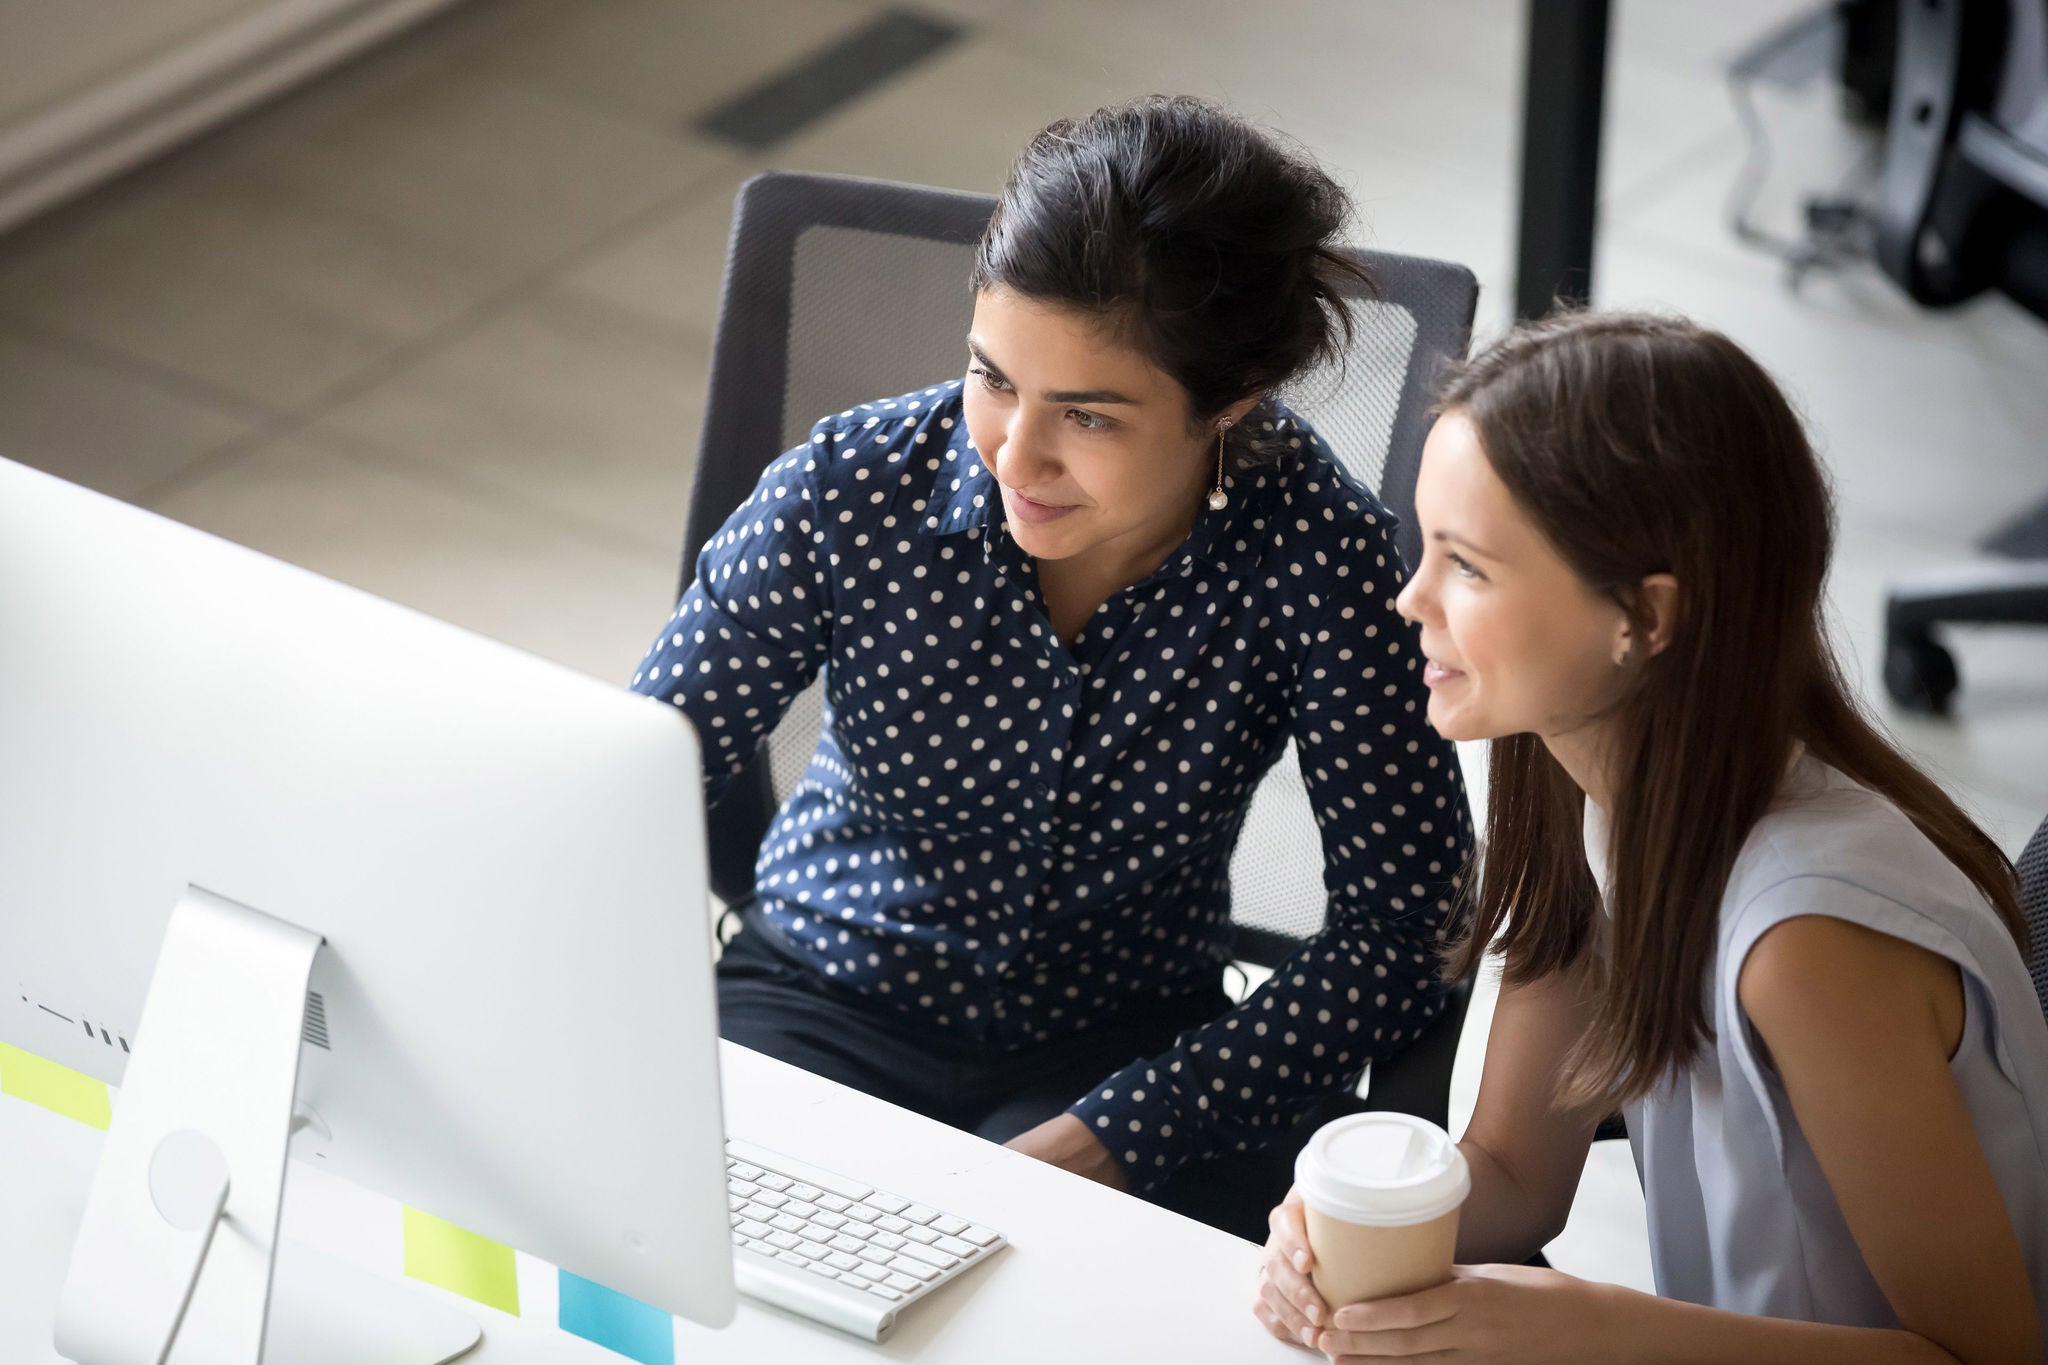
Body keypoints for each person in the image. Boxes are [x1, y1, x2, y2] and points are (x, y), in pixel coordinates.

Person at [629, 96, 1471, 1236]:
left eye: (1087, 416)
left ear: (1231, 400)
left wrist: (1132, 1127)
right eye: (992, 379)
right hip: (820, 995)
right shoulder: (849, 488)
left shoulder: (1314, 553)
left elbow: (1406, 926)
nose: (1014, 455)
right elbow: (631, 784)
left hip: (1124, 1048)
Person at [1254, 310, 2048, 1360]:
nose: (1411, 598)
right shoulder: (1583, 787)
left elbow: (1986, 1356)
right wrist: (1332, 1233)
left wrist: (1597, 1329)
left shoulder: (1805, 943)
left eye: (1468, 567)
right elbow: (1512, 1178)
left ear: (1644, 617)